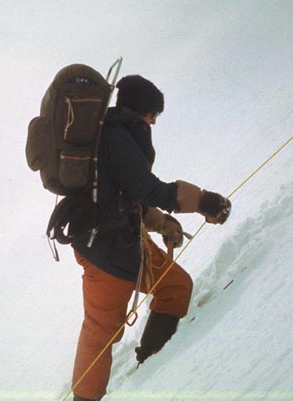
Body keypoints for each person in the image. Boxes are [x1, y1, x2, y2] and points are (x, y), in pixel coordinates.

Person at [69, 75, 231, 401]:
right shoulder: (117, 137)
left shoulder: (119, 135)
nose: (154, 121)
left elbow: (127, 197)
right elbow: (148, 189)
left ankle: (156, 366)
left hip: (124, 243)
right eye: (152, 114)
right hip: (105, 252)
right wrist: (203, 201)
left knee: (175, 287)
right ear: (139, 111)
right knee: (100, 333)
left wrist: (162, 223)